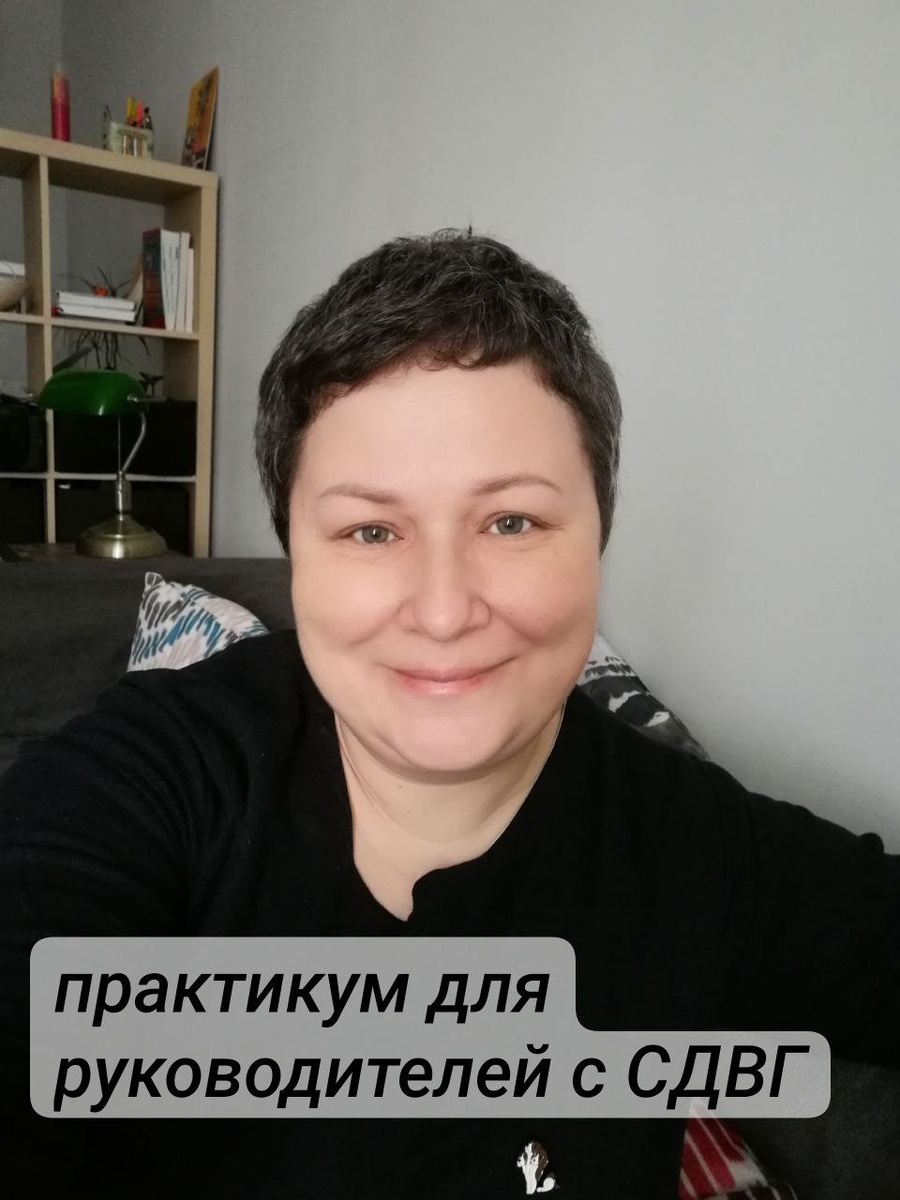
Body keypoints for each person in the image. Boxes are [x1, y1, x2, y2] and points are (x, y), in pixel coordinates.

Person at [1, 229, 898, 1198]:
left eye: (511, 521)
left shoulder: (692, 845)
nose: (442, 611)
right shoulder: (155, 782)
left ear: (598, 533)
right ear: (296, 554)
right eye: (371, 530)